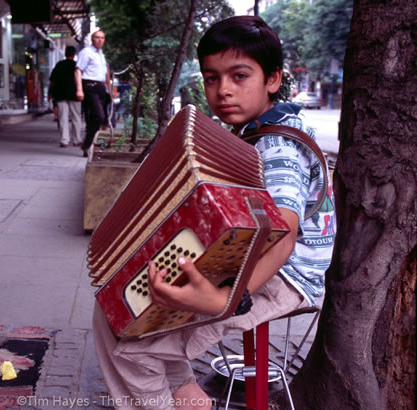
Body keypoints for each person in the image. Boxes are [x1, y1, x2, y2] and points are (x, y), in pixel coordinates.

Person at [92, 16, 336, 409]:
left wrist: (223, 300)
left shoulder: (278, 149)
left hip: (282, 276)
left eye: (240, 76)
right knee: (115, 306)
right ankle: (186, 395)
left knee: (133, 343)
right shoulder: (256, 131)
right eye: (211, 78)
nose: (223, 91)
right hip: (246, 261)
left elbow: (284, 234)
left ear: (272, 79)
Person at [75, 29, 112, 157]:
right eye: (97, 37)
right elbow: (78, 71)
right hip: (90, 86)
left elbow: (106, 75)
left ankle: (88, 145)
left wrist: (109, 90)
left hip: (101, 88)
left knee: (93, 118)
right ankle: (87, 143)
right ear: (92, 39)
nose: (100, 40)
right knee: (100, 116)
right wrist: (79, 89)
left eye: (102, 38)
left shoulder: (101, 54)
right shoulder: (86, 53)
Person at [50, 45, 82, 147]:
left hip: (61, 95)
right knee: (76, 117)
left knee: (63, 118)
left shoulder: (59, 65)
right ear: (74, 54)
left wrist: (51, 93)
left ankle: (64, 140)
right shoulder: (77, 65)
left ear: (65, 54)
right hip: (75, 95)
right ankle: (77, 140)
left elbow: (52, 81)